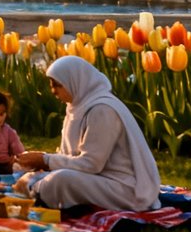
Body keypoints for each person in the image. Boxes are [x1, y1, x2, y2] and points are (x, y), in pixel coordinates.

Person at [13, 56, 162, 211]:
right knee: (31, 177)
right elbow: (70, 157)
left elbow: (91, 164)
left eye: (58, 85)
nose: (53, 91)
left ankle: (38, 192)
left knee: (59, 180)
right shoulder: (77, 107)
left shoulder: (102, 110)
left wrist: (46, 160)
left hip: (122, 187)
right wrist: (41, 162)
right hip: (95, 178)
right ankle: (37, 190)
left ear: (75, 81)